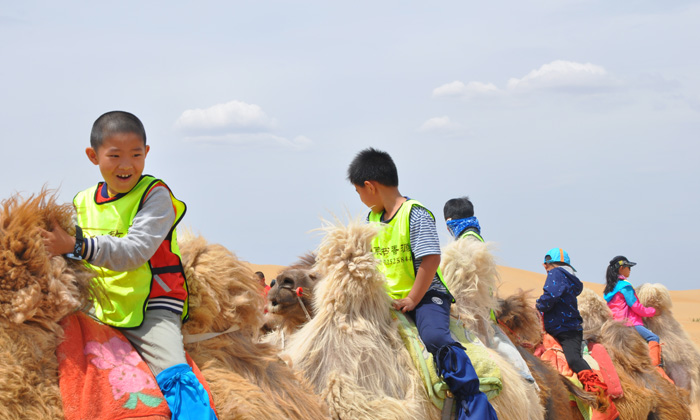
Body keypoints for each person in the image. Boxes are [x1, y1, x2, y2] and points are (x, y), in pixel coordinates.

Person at [41, 111, 217, 419]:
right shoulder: (83, 201)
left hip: (151, 306)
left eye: (135, 155)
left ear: (147, 153)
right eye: (115, 155)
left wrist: (77, 245)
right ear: (93, 156)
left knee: (176, 378)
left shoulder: (155, 196)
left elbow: (135, 250)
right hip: (98, 305)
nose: (126, 165)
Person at [348, 148, 497, 420]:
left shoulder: (415, 214)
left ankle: (473, 403)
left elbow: (430, 260)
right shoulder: (370, 221)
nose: (360, 199)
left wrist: (413, 299)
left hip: (426, 295)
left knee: (435, 337)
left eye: (359, 192)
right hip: (388, 299)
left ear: (370, 186)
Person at [444, 196, 537, 388]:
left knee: (495, 342)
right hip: (483, 307)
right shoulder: (476, 239)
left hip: (475, 312)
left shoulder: (465, 244)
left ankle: (524, 377)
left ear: (450, 223)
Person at [536, 248, 613, 407]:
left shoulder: (556, 274)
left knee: (573, 359)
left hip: (566, 330)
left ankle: (597, 391)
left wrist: (538, 305)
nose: (544, 267)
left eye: (546, 263)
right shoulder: (568, 277)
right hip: (559, 329)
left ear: (552, 263)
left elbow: (551, 295)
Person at [603, 256, 673, 383]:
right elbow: (636, 306)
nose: (630, 270)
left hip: (613, 324)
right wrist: (652, 311)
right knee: (654, 338)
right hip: (629, 323)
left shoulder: (610, 288)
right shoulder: (625, 286)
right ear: (621, 268)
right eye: (628, 267)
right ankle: (656, 370)